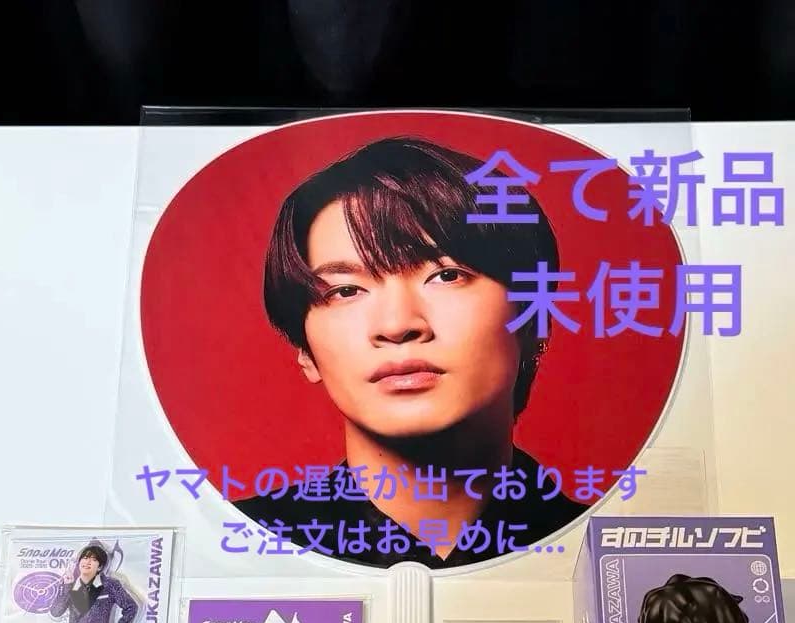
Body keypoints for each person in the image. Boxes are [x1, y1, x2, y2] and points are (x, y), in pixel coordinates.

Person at [236, 134, 582, 569]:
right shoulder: (235, 546)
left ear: (534, 319)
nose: (397, 325)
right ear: (305, 350)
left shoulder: (602, 546)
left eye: (447, 276)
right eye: (345, 290)